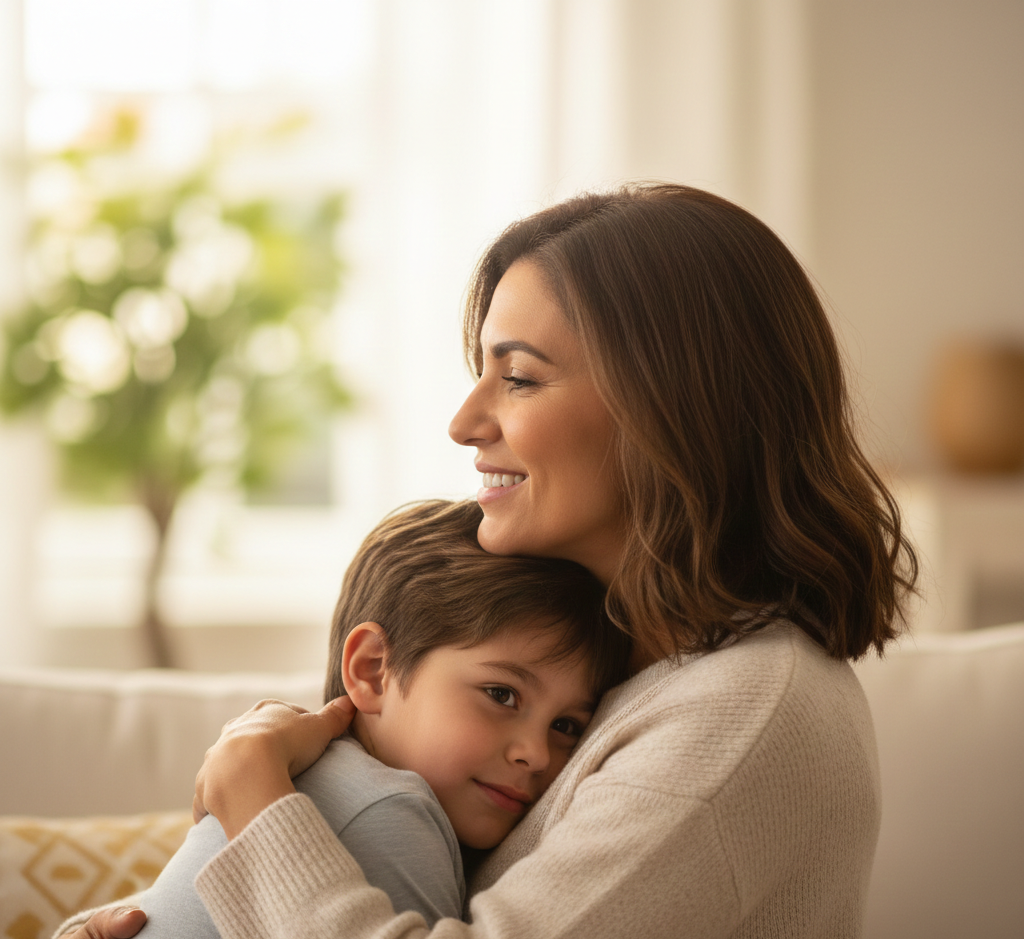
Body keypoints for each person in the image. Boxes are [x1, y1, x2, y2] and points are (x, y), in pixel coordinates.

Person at [68, 183, 918, 939]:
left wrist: (255, 799)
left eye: (518, 376)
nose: (465, 421)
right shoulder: (603, 657)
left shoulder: (742, 716)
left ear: (670, 408)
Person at [55, 500, 629, 937]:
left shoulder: (326, 785)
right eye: (502, 694)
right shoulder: (392, 811)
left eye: (568, 726)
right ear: (374, 669)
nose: (537, 753)